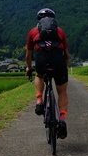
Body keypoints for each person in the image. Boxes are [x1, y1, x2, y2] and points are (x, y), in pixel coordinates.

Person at [25, 8, 70, 139]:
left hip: (42, 60)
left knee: (39, 75)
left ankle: (39, 100)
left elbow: (29, 55)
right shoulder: (60, 31)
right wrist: (64, 69)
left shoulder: (33, 31)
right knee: (62, 91)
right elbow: (67, 55)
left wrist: (29, 68)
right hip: (58, 60)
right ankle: (61, 119)